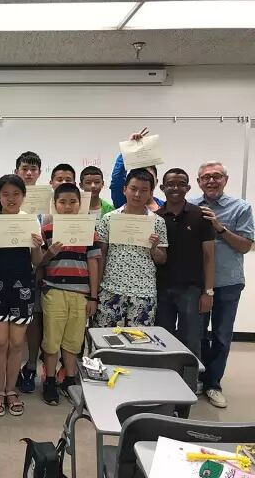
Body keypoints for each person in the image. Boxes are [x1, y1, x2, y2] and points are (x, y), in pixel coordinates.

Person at [0, 174, 44, 417]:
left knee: (17, 343)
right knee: (0, 341)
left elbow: (37, 261)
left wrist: (37, 246)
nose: (11, 198)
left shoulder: (30, 220)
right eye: (5, 194)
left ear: (23, 196)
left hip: (22, 288)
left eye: (16, 194)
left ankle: (11, 390)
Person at [190, 161, 254, 408]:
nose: (211, 181)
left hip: (228, 283)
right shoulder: (191, 206)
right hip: (197, 283)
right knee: (196, 334)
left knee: (221, 335)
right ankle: (197, 379)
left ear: (225, 180)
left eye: (216, 176)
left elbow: (245, 246)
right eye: (206, 177)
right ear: (199, 182)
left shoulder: (241, 208)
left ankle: (213, 384)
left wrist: (220, 228)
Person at [40, 183, 100, 405]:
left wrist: (93, 296)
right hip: (54, 291)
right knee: (51, 339)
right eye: (62, 202)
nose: (67, 206)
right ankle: (49, 380)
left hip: (81, 293)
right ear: (55, 205)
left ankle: (69, 378)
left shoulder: (89, 229)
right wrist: (49, 252)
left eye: (73, 202)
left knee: (74, 340)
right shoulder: (47, 229)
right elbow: (40, 262)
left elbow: (93, 263)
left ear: (80, 204)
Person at [95, 168, 168, 327]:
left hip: (143, 292)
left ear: (150, 193)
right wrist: (96, 291)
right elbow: (101, 255)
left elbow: (162, 259)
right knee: (106, 339)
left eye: (144, 190)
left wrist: (154, 248)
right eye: (133, 188)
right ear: (124, 189)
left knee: (139, 340)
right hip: (111, 289)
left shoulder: (157, 222)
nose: (137, 194)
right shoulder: (109, 218)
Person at [155, 168, 215, 360]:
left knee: (191, 342)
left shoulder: (201, 216)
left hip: (191, 290)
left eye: (181, 184)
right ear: (162, 188)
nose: (176, 188)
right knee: (161, 341)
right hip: (161, 289)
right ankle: (165, 377)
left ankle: (190, 379)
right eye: (170, 184)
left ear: (188, 188)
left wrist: (208, 292)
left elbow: (209, 256)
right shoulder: (155, 217)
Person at [13, 151, 45, 393]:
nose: (29, 173)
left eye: (33, 169)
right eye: (24, 168)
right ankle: (12, 369)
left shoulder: (49, 203)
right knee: (10, 324)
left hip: (41, 270)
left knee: (34, 321)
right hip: (13, 272)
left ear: (39, 173)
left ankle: (32, 365)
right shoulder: (7, 200)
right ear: (17, 171)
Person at [110, 131, 164, 211]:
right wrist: (129, 148)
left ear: (156, 181)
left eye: (149, 176)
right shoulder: (123, 201)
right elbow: (117, 179)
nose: (144, 179)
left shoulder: (164, 207)